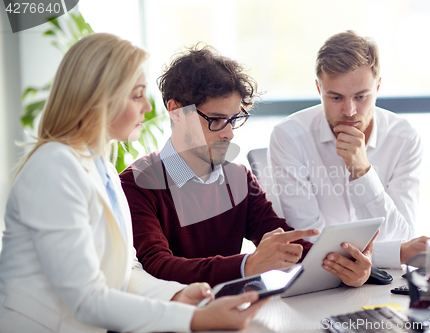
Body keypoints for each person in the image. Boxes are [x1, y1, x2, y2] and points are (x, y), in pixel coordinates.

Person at [0, 33, 269, 333]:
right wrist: (195, 318)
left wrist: (176, 296)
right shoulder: (55, 167)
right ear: (100, 97)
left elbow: (126, 270)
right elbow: (86, 298)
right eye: (137, 94)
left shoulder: (99, 162)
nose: (146, 107)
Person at [120, 44, 375, 289]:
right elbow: (157, 267)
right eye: (217, 120)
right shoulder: (136, 185)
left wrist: (346, 268)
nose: (229, 134)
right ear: (176, 111)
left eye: (234, 119)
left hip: (231, 315)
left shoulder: (237, 177)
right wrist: (248, 265)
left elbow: (283, 241)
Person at [269, 30, 428, 268]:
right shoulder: (290, 136)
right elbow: (310, 240)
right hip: (314, 281)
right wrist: (394, 253)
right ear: (318, 89)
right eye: (335, 98)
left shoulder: (404, 138)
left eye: (361, 96)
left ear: (378, 86)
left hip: (384, 282)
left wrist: (362, 170)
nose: (349, 111)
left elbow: (400, 237)